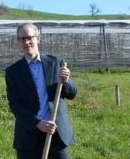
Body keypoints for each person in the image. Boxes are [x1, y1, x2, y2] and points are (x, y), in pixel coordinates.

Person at [5, 23, 77, 159]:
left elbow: (72, 94)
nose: (26, 42)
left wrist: (66, 81)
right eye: (22, 39)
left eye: (29, 37)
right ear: (18, 42)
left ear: (38, 38)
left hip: (55, 133)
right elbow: (15, 105)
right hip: (28, 135)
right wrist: (37, 123)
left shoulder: (56, 63)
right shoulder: (13, 72)